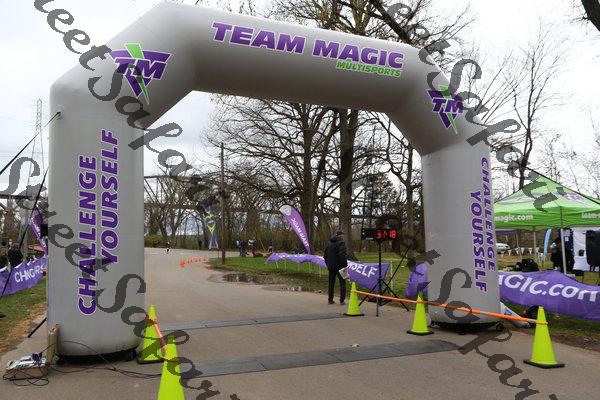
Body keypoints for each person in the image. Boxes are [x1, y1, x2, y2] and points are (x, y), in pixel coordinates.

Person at [324, 230, 348, 305]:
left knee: (331, 283)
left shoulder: (329, 243)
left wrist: (328, 264)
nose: (343, 236)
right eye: (343, 235)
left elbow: (325, 255)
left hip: (331, 266)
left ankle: (330, 300)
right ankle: (342, 300)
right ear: (340, 235)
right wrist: (345, 266)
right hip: (340, 266)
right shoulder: (341, 243)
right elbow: (342, 255)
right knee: (342, 283)